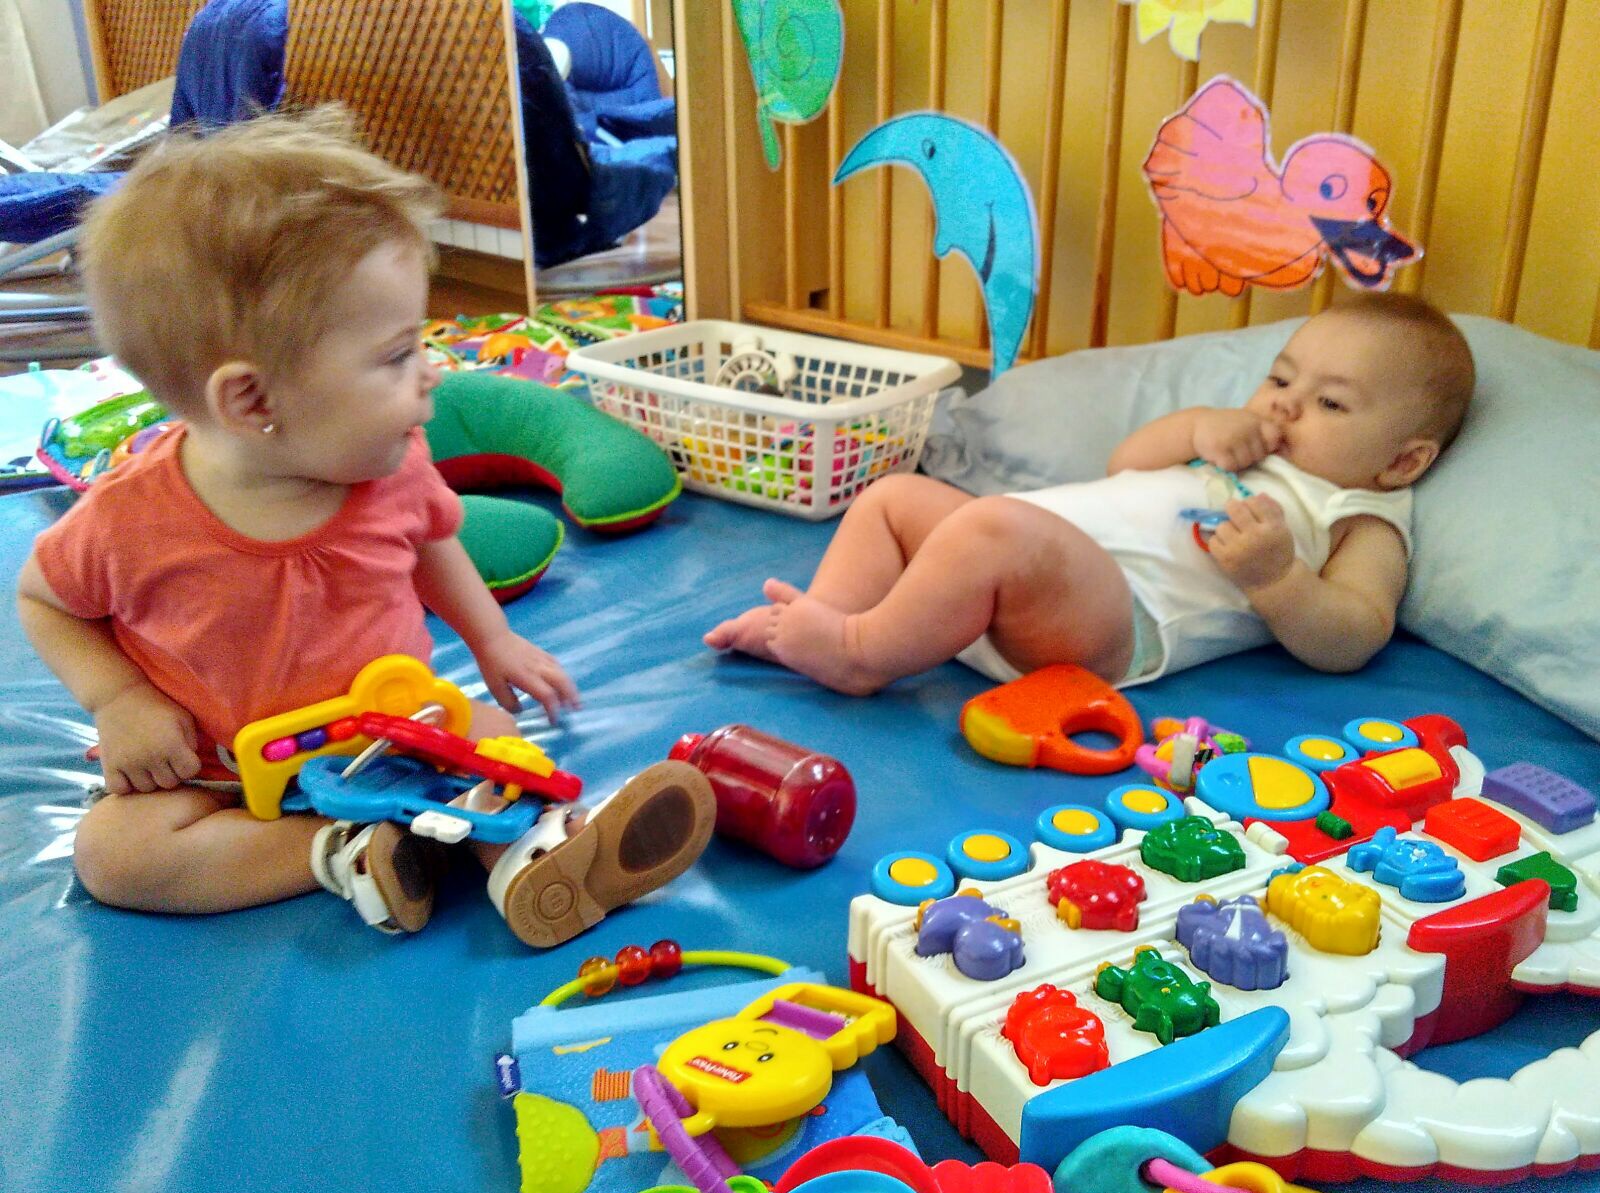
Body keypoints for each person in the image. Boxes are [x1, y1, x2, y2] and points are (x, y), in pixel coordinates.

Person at [16, 110, 713, 947]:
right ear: (252, 400)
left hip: (393, 734)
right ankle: (340, 851)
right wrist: (120, 700)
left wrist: (492, 639)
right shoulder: (129, 518)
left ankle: (545, 862)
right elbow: (44, 599)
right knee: (116, 855)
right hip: (216, 772)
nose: (431, 374)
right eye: (395, 356)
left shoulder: (392, 465)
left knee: (493, 742)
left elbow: (431, 543)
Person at [705, 293, 1475, 696]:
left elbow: (1356, 634)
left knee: (989, 531)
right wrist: (1199, 427)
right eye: (1280, 379)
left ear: (1402, 462)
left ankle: (858, 655)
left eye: (1330, 403)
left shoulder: (1361, 516)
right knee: (896, 496)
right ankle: (823, 618)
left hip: (1116, 619)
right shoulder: (1241, 440)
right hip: (1030, 560)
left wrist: (1279, 579)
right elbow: (1125, 465)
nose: (1285, 405)